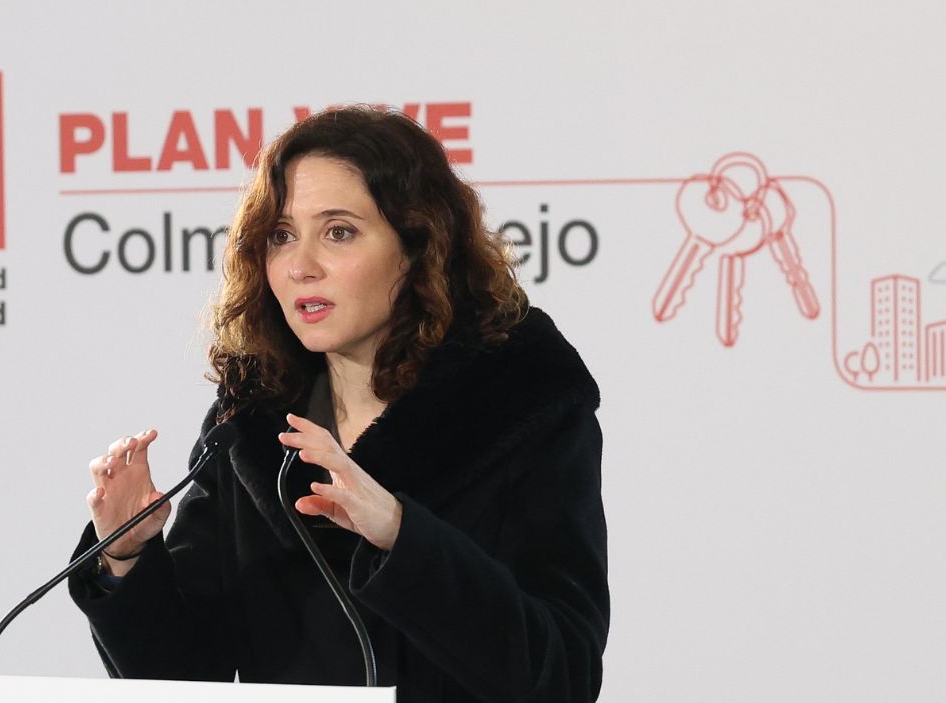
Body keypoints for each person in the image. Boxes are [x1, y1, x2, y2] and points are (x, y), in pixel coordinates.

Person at [69, 106, 608, 703]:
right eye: (282, 236)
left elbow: (564, 675)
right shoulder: (251, 418)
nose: (301, 267)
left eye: (339, 232)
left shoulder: (524, 403)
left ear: (418, 244)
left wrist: (401, 534)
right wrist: (126, 556)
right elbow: (188, 676)